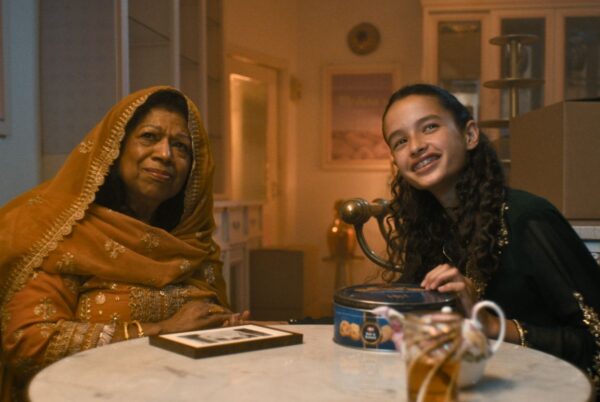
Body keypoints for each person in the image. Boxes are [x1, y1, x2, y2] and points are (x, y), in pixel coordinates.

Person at [0, 86, 248, 401]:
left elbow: (202, 322)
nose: (165, 154)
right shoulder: (64, 233)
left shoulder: (191, 240)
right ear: (116, 147)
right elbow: (27, 342)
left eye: (181, 146)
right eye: (149, 137)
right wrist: (160, 330)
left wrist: (224, 327)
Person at [381, 83, 600, 389]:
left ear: (470, 135)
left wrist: (490, 325)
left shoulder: (527, 219)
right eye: (400, 141)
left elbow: (594, 344)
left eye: (429, 127)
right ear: (397, 162)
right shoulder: (428, 232)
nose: (415, 146)